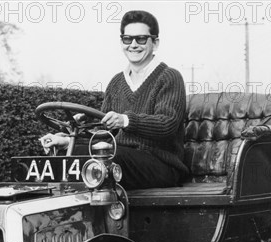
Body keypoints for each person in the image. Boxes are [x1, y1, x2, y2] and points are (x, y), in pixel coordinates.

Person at [40, 10, 188, 190]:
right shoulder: (116, 82)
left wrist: (125, 120)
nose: (133, 45)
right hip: (121, 157)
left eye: (141, 39)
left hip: (161, 166)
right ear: (121, 42)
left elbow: (167, 124)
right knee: (70, 155)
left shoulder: (169, 77)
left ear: (155, 43)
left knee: (107, 158)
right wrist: (67, 141)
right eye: (127, 39)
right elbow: (104, 135)